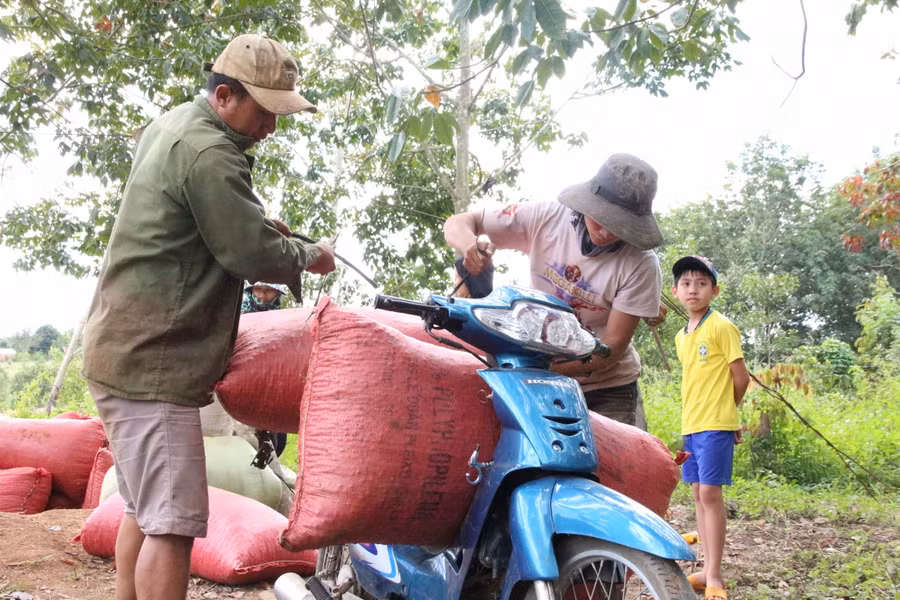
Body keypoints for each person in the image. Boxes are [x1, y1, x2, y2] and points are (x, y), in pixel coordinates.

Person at [81, 33, 335, 600]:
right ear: (224, 96)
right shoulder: (211, 153)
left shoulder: (174, 126)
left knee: (146, 511)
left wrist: (256, 228)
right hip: (156, 363)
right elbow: (248, 255)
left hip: (124, 351)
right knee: (173, 526)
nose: (271, 128)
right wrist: (308, 255)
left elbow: (202, 225)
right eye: (264, 112)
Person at [444, 153, 664, 429]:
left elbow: (612, 348)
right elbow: (460, 222)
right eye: (601, 218)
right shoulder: (546, 217)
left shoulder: (641, 265)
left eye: (618, 225)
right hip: (537, 374)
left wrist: (541, 366)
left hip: (606, 386)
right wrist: (469, 245)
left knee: (616, 469)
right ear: (588, 203)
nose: (606, 232)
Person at [671, 255, 750, 600]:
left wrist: (726, 416)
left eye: (701, 284)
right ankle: (705, 567)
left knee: (710, 494)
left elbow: (740, 377)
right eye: (686, 284)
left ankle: (715, 575)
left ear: (714, 291)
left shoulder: (722, 326)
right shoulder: (682, 336)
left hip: (715, 424)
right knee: (697, 496)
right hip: (692, 424)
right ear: (675, 291)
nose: (693, 289)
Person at [241, 281, 289, 457]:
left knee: (278, 441)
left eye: (268, 291)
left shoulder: (284, 322)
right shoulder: (238, 317)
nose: (262, 296)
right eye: (258, 290)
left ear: (277, 294)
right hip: (244, 384)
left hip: (273, 385)